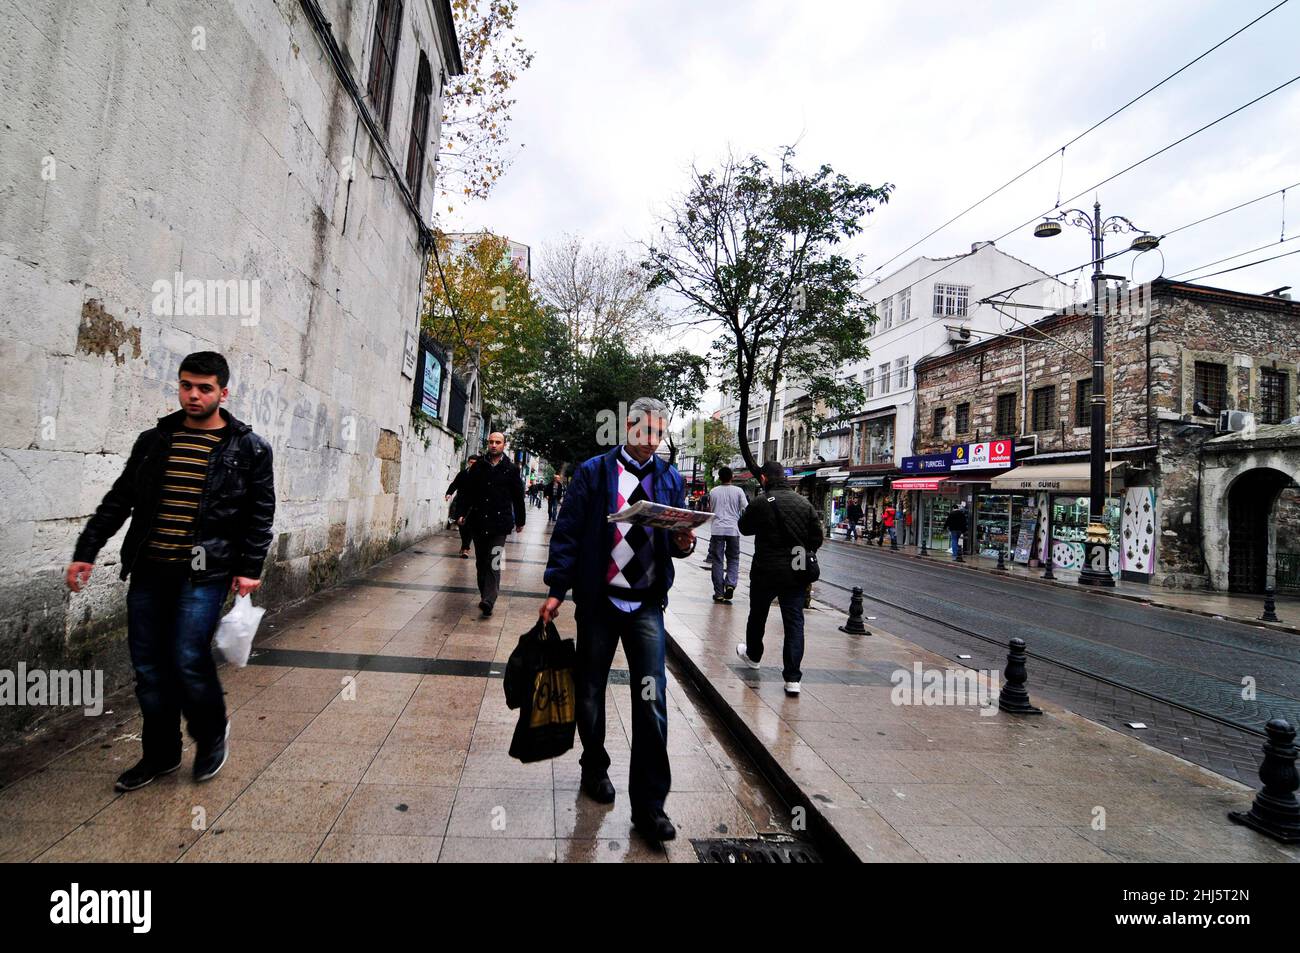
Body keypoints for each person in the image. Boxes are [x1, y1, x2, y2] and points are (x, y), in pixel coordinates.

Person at [65, 351, 275, 792]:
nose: (193, 395)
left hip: (203, 571)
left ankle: (211, 733)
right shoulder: (155, 440)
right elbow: (120, 498)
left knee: (186, 657)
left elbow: (260, 513)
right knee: (149, 667)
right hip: (149, 569)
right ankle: (159, 755)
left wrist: (249, 567)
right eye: (186, 386)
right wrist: (87, 549)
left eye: (204, 388)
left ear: (223, 392)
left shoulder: (249, 448)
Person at [539, 397, 695, 847]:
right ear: (628, 427)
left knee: (652, 701)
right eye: (647, 431)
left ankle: (650, 806)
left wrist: (683, 542)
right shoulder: (595, 472)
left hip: (646, 604)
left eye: (661, 432)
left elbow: (677, 546)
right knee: (590, 689)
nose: (654, 440)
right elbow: (567, 533)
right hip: (599, 600)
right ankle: (595, 766)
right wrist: (555, 590)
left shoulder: (670, 478)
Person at [736, 461, 823, 697]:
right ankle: (792, 679)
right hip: (795, 571)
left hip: (765, 568)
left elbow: (743, 528)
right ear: (784, 477)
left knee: (758, 614)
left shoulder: (761, 502)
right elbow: (816, 538)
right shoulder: (804, 504)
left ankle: (754, 655)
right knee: (794, 623)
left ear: (763, 479)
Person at [458, 433, 525, 617]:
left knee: (494, 562)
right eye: (491, 442)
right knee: (481, 563)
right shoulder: (478, 466)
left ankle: (489, 599)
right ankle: (484, 596)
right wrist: (461, 513)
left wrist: (520, 521)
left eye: (498, 442)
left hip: (500, 525)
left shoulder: (510, 469)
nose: (494, 445)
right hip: (479, 522)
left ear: (504, 445)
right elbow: (467, 492)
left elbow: (518, 497)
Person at [706, 466, 747, 604]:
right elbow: (745, 508)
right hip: (733, 530)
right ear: (732, 477)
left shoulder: (713, 491)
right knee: (733, 558)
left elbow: (711, 509)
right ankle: (730, 584)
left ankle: (718, 593)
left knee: (717, 560)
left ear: (719, 478)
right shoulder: (738, 491)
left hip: (717, 529)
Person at [445, 454, 480, 557]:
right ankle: (464, 545)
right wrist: (449, 493)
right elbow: (455, 484)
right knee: (461, 525)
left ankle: (466, 548)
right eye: (471, 462)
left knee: (469, 526)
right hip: (461, 503)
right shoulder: (463, 474)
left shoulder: (481, 475)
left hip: (474, 505)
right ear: (468, 463)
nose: (472, 464)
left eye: (475, 463)